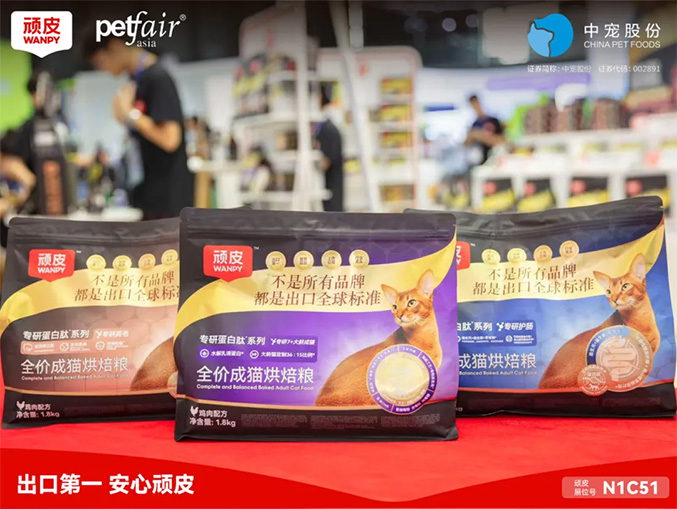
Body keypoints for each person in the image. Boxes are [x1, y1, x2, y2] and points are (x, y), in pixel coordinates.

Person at [82, 31, 194, 219]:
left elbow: (170, 139)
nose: (102, 69)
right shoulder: (137, 80)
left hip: (167, 200)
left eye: (100, 62)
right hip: (149, 194)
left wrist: (131, 114)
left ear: (115, 46)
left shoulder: (157, 78)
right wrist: (123, 115)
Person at [315, 86, 344, 212]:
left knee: (333, 211)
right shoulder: (324, 127)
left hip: (332, 183)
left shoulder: (329, 129)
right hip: (328, 184)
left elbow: (327, 160)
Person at [464, 94, 505, 167]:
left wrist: (480, 136)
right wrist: (469, 138)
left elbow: (502, 141)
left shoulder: (493, 121)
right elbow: (466, 145)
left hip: (493, 161)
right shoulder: (474, 124)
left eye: (476, 104)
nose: (475, 107)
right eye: (472, 105)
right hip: (478, 162)